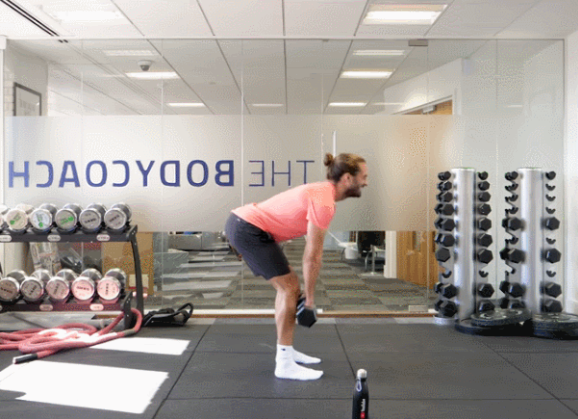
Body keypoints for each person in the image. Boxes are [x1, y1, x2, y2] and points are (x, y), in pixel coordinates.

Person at [224, 153, 368, 381]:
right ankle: (284, 364)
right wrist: (309, 300)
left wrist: (307, 295)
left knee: (288, 288)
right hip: (248, 227)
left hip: (247, 225)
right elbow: (312, 257)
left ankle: (287, 352)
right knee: (290, 288)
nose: (366, 182)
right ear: (348, 178)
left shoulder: (322, 193)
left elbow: (310, 251)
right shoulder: (324, 201)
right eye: (364, 177)